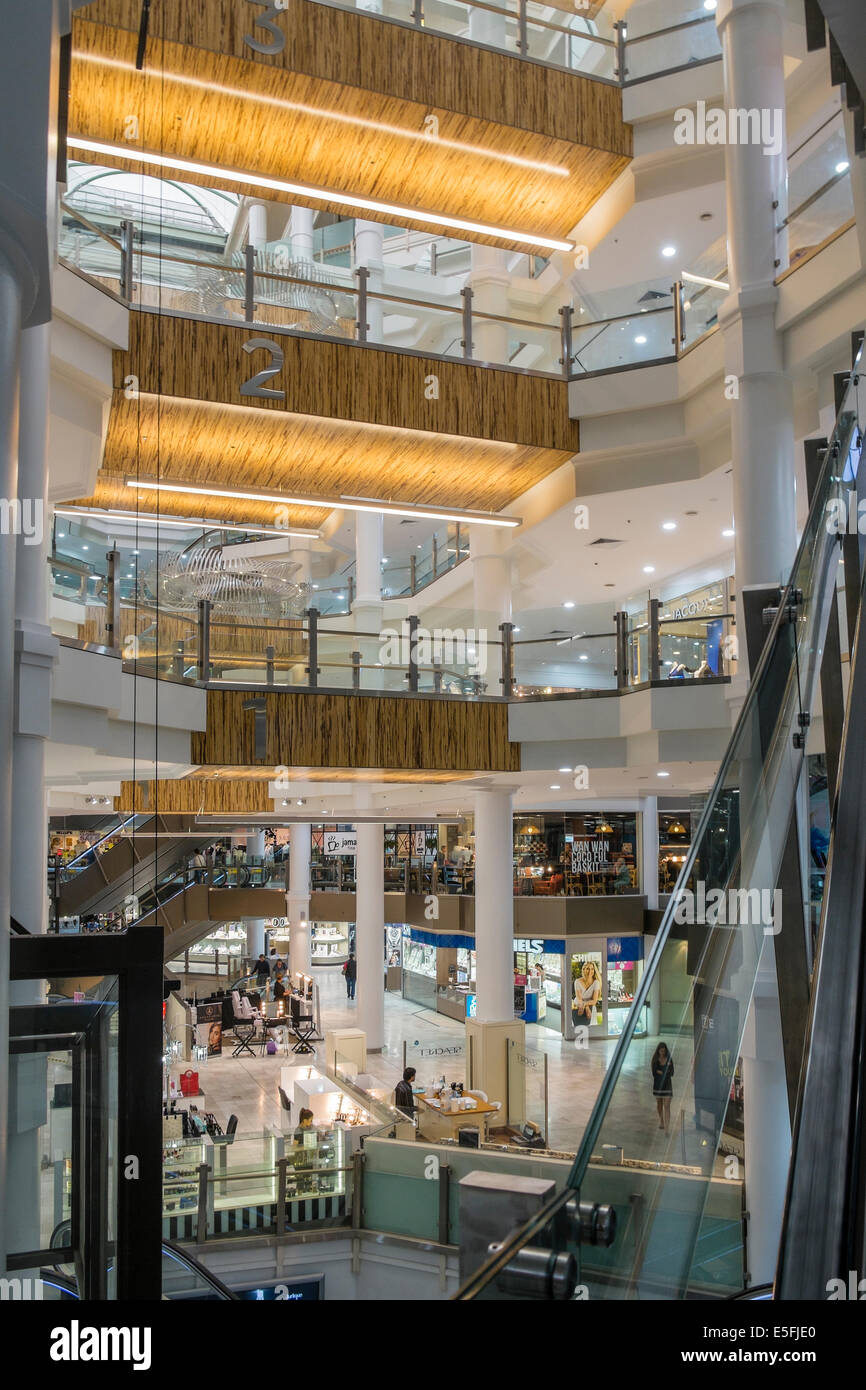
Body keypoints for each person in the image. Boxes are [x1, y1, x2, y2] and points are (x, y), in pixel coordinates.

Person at [651, 1042, 674, 1133]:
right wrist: (661, 1072)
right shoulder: (655, 1060)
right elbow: (654, 1073)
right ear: (658, 1051)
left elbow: (672, 1072)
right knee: (659, 1104)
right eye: (661, 1051)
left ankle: (667, 1126)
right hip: (658, 1086)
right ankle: (661, 1121)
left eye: (664, 1051)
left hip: (667, 1086)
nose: (662, 1053)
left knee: (667, 1106)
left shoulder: (669, 1059)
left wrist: (663, 1072)